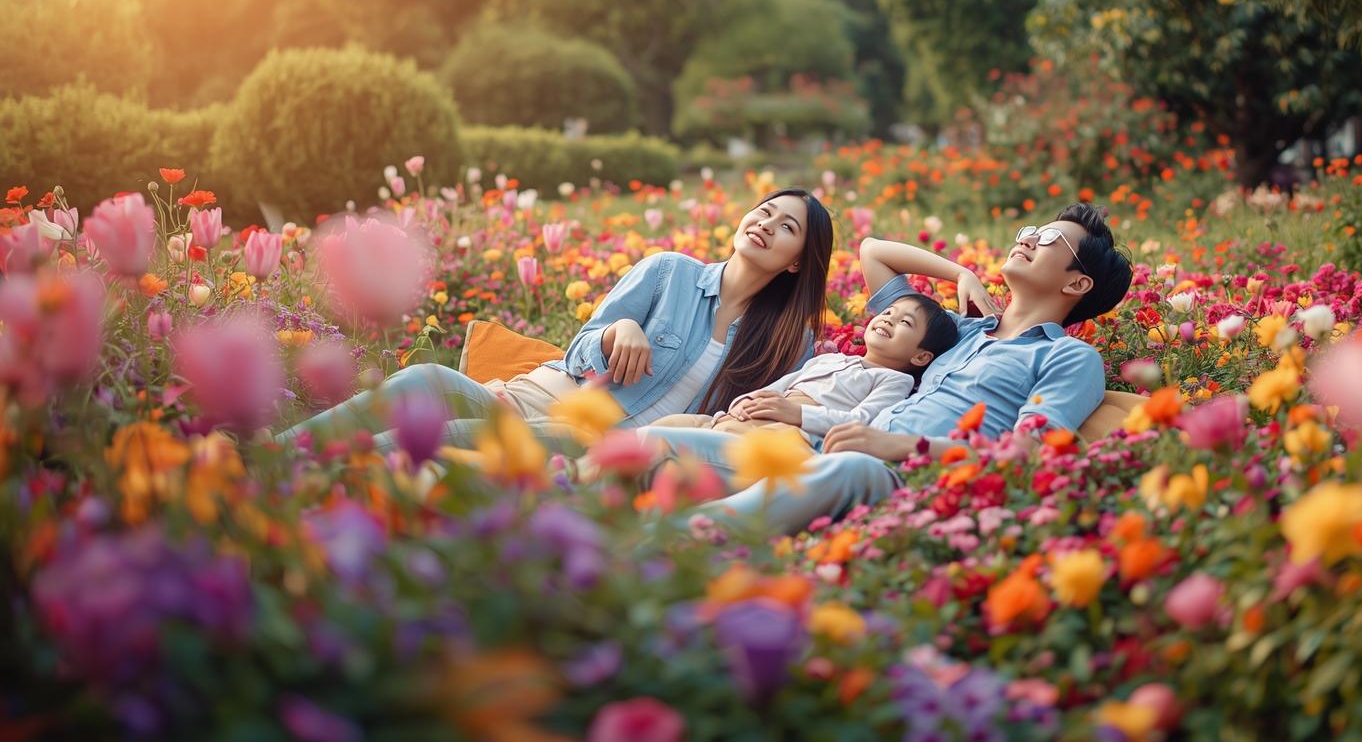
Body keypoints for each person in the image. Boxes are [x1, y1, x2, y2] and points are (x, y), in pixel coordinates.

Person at [640, 203, 1134, 534]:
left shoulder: (1067, 357)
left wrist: (900, 446)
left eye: (1049, 239)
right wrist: (960, 272)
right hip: (829, 452)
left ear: (1077, 286)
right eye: (1030, 230)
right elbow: (874, 253)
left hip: (908, 478)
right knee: (654, 445)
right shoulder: (960, 332)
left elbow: (1028, 452)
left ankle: (668, 546)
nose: (1028, 238)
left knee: (847, 468)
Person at [277, 188, 834, 456]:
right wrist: (617, 331)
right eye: (763, 210)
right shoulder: (669, 274)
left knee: (446, 439)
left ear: (795, 262)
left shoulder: (789, 344)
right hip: (538, 400)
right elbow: (581, 349)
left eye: (786, 227)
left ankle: (317, 472)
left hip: (600, 447)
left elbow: (759, 427)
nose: (765, 223)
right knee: (428, 381)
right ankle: (274, 455)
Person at [647, 293, 960, 446]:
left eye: (905, 322)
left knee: (679, 445)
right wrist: (745, 403)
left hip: (790, 432)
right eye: (889, 311)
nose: (889, 318)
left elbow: (861, 421)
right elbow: (781, 386)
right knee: (670, 425)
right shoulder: (829, 359)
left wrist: (797, 415)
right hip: (752, 417)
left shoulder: (894, 380)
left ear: (921, 357)